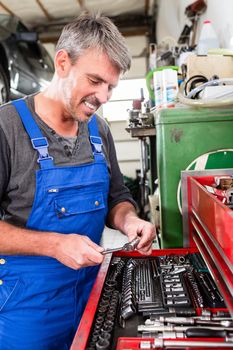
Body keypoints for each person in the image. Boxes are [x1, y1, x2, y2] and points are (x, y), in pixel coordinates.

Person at [0, 12, 156, 350]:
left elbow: (117, 196)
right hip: (26, 312)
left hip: (94, 299)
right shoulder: (6, 128)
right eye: (95, 80)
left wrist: (129, 220)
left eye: (111, 86)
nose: (103, 96)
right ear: (62, 62)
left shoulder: (99, 131)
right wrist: (55, 245)